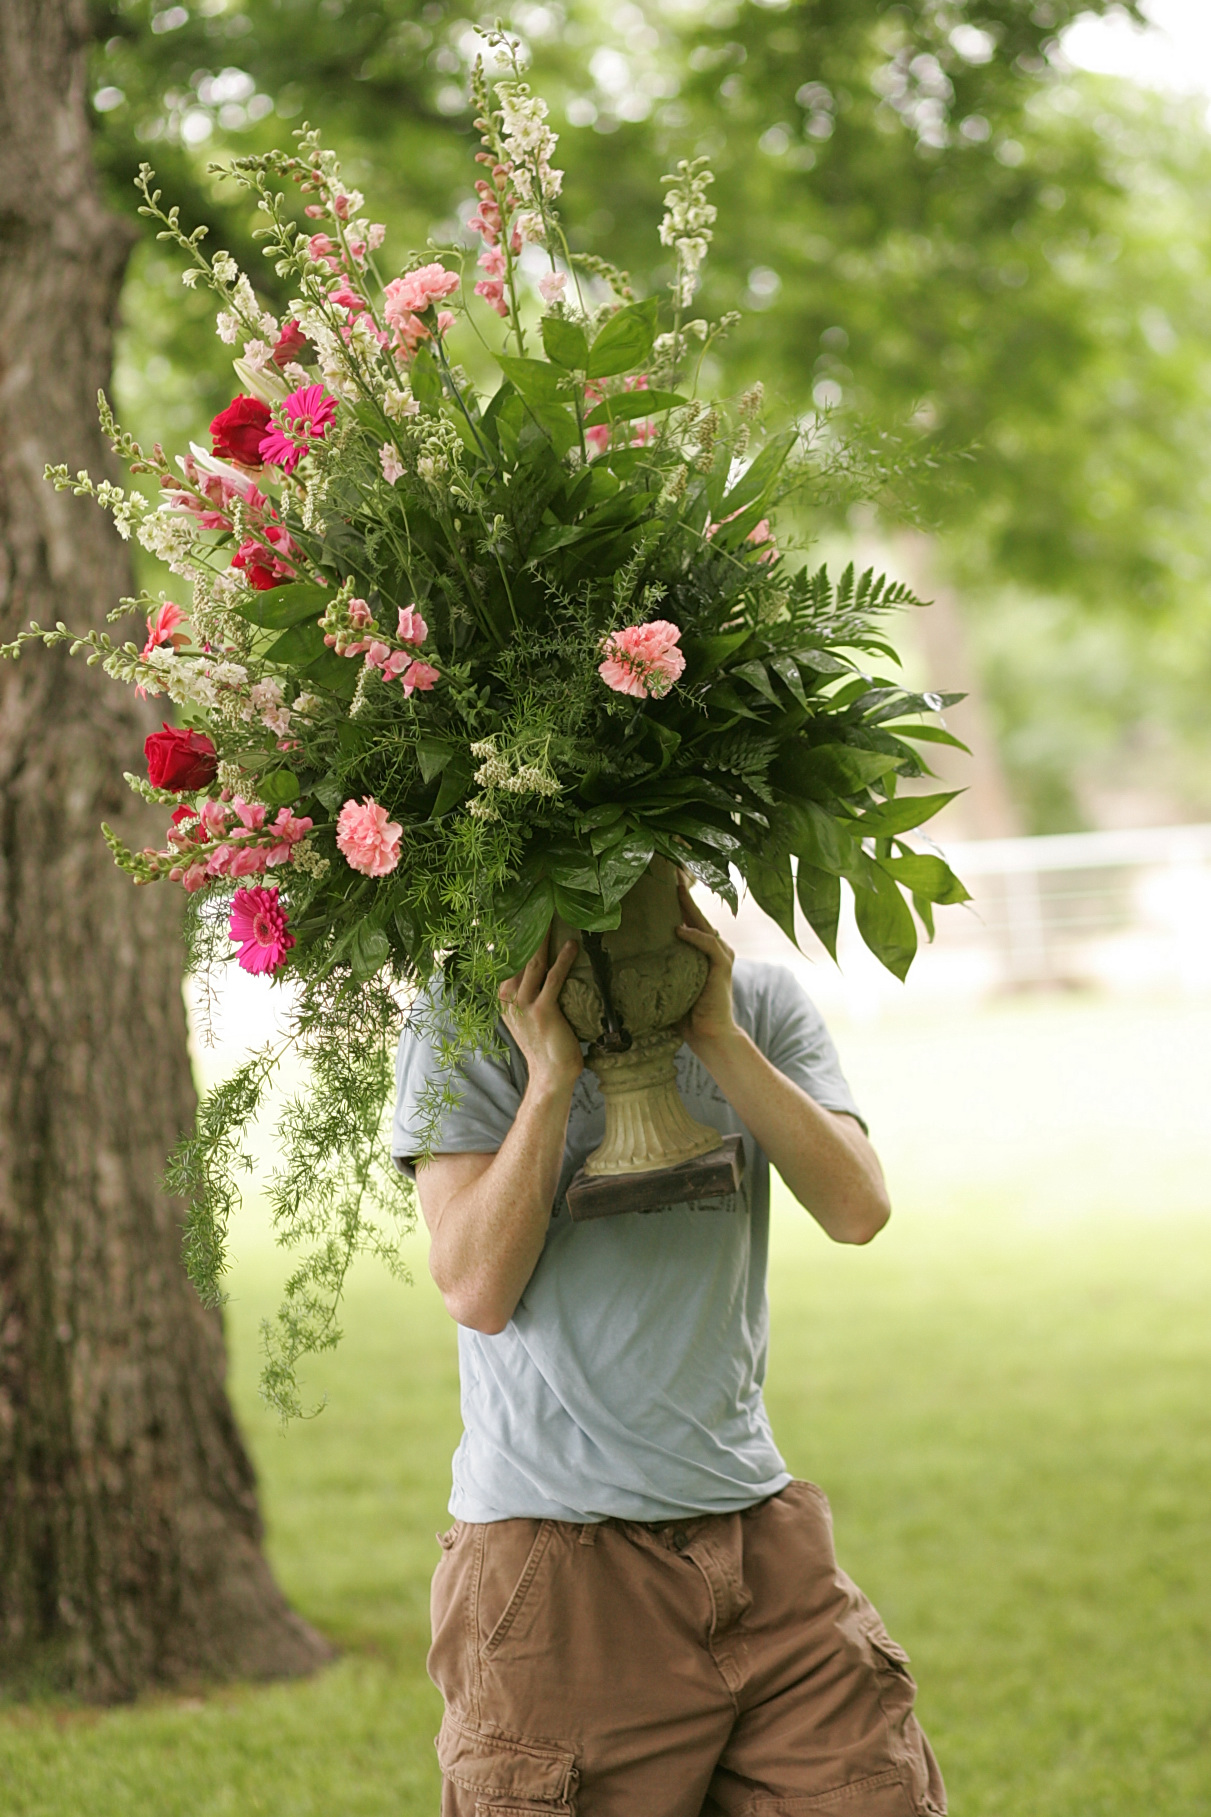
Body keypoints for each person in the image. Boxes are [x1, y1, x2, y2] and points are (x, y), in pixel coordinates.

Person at [392, 876, 946, 1817]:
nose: (622, 888)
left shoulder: (758, 1005)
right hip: (557, 1564)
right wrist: (551, 1080)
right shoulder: (467, 1018)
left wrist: (717, 1036)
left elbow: (857, 1207)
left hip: (761, 1544)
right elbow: (474, 1288)